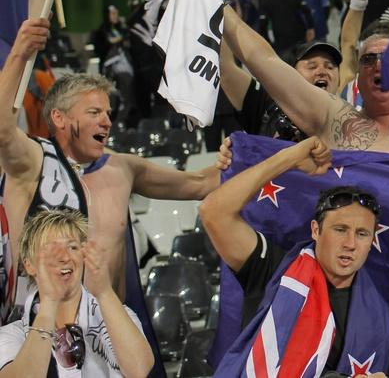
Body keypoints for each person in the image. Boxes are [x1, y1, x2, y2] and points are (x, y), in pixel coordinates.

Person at [0, 19, 230, 336]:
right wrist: (19, 54)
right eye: (94, 113)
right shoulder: (32, 162)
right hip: (39, 334)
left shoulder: (122, 169)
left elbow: (200, 184)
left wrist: (246, 158)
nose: (107, 122)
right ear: (59, 117)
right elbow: (1, 129)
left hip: (107, 341)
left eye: (108, 113)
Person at [201, 137, 389, 378]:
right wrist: (291, 157)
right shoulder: (276, 270)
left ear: (372, 241)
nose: (350, 244)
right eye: (340, 230)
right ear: (315, 230)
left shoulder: (382, 316)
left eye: (362, 234)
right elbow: (213, 211)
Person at [221, 0, 389, 157]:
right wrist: (216, 5)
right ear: (357, 76)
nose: (379, 65)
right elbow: (263, 60)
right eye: (368, 59)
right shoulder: (334, 118)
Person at [0, 208, 153, 378]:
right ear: (29, 265)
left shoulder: (118, 315)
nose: (64, 257)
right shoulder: (11, 335)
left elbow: (139, 370)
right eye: (52, 249)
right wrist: (49, 303)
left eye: (72, 247)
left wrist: (104, 292)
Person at [220, 37, 342, 140]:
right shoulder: (267, 106)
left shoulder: (351, 125)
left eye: (330, 67)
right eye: (312, 66)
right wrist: (217, 14)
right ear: (290, 73)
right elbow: (226, 69)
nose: (322, 71)